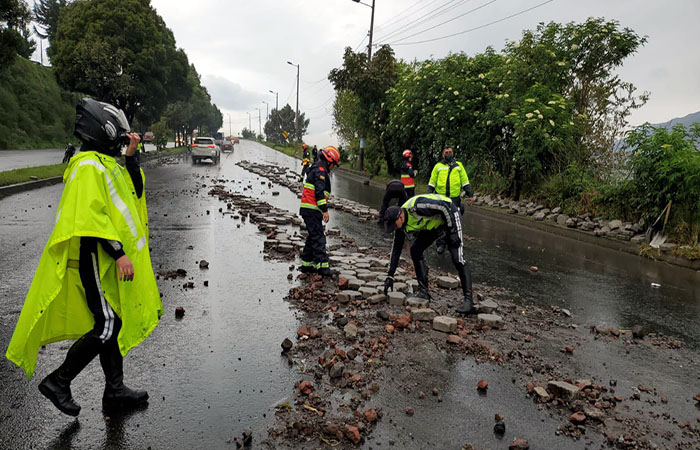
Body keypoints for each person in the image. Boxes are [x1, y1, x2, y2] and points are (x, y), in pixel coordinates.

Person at [5, 98, 163, 417]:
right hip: (93, 255)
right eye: (117, 133)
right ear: (102, 130)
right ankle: (58, 382)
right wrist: (118, 254)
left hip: (101, 259)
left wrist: (131, 158)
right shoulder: (88, 166)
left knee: (111, 323)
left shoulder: (103, 164)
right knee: (107, 323)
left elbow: (133, 193)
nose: (121, 138)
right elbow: (91, 218)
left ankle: (115, 391)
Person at [382, 193, 476, 315]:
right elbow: (396, 249)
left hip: (450, 214)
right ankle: (424, 292)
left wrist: (452, 230)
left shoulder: (416, 207)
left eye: (393, 225)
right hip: (433, 225)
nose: (393, 228)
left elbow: (443, 207)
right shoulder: (401, 227)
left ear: (400, 217)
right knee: (415, 250)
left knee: (458, 259)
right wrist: (390, 275)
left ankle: (469, 301)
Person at [299, 146, 341, 276]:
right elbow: (319, 192)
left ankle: (306, 264)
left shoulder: (317, 168)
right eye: (333, 164)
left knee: (313, 236)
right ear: (329, 161)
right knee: (319, 238)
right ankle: (323, 268)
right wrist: (325, 210)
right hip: (312, 210)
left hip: (309, 209)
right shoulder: (321, 171)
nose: (333, 167)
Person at [428, 146, 474, 253]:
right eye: (447, 152)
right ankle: (441, 244)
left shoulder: (459, 166)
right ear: (443, 154)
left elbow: (465, 181)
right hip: (441, 198)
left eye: (450, 152)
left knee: (454, 220)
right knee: (441, 221)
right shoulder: (438, 167)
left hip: (454, 199)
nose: (449, 154)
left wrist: (470, 194)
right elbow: (432, 182)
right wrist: (429, 195)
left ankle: (453, 242)